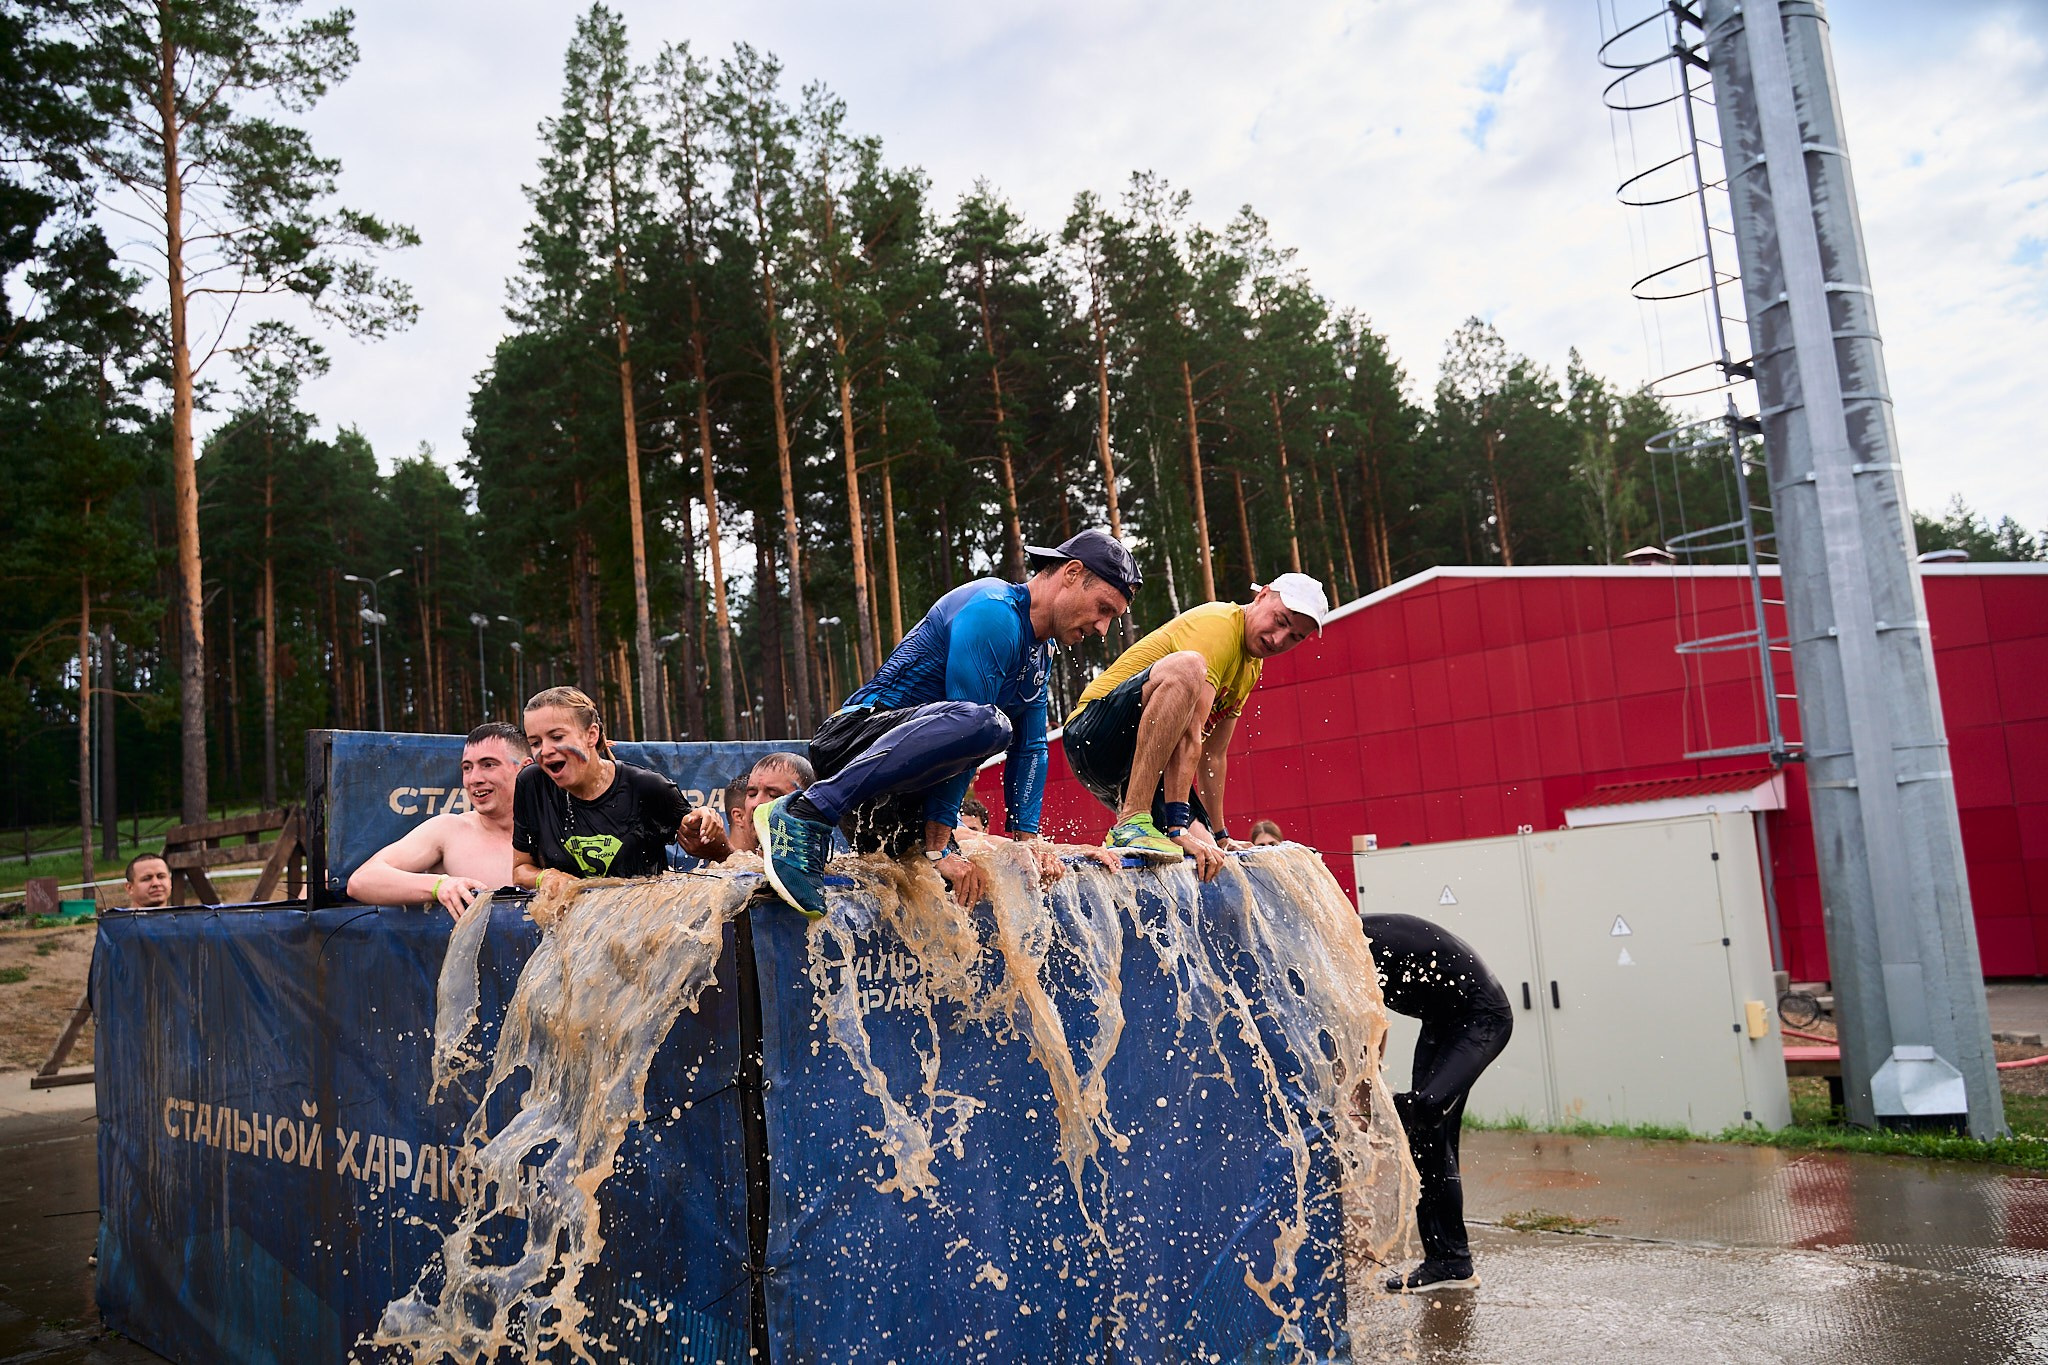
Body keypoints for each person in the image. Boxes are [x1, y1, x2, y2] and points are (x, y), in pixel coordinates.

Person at [755, 529, 1140, 918]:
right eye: (1103, 608)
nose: (1102, 628)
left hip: (899, 794)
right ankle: (807, 812)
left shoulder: (1041, 654)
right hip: (852, 742)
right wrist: (938, 845)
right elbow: (969, 729)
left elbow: (1031, 750)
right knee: (988, 725)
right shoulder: (994, 610)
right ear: (1072, 574)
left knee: (955, 875)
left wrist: (1031, 844)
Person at [1062, 572, 1329, 880]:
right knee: (1189, 666)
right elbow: (1189, 736)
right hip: (1093, 734)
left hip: (1140, 765)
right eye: (1280, 621)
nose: (1279, 640)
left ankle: (1130, 841)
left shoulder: (1251, 667)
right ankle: (1132, 820)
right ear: (1262, 595)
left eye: (1295, 637)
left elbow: (1213, 758)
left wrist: (1220, 835)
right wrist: (1177, 826)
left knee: (1214, 861)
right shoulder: (1218, 626)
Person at [1362, 913, 1514, 1294]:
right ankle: (1449, 1262)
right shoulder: (1341, 943)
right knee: (1425, 1139)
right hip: (1440, 1024)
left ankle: (1450, 1261)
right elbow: (1370, 1020)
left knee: (1425, 1110)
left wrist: (1370, 1103)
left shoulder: (1347, 940)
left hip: (1481, 1020)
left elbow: (1366, 1027)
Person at [512, 686, 689, 889]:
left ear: (591, 735)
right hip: (568, 920)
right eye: (535, 742)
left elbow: (718, 856)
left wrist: (707, 825)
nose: (545, 750)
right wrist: (546, 878)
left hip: (643, 917)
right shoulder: (532, 784)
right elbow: (520, 870)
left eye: (557, 737)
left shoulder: (647, 787)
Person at [347, 722, 531, 917]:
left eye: (488, 765)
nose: (474, 778)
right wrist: (440, 885)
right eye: (467, 768)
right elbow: (361, 880)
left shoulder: (552, 830)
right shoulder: (449, 830)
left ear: (524, 768)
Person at [677, 752, 815, 864]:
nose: (756, 804)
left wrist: (723, 854)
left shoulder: (831, 866)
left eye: (773, 795)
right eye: (752, 794)